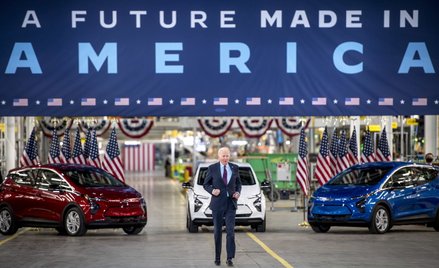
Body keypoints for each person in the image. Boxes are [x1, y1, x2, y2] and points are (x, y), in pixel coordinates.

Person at [203, 147, 242, 267]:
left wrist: (237, 192)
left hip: (231, 203)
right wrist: (212, 190)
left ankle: (230, 258)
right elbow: (206, 184)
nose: (225, 158)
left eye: (227, 156)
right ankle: (217, 257)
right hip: (217, 204)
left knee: (230, 232)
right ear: (218, 156)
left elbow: (238, 183)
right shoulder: (212, 168)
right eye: (223, 156)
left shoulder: (234, 168)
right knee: (217, 232)